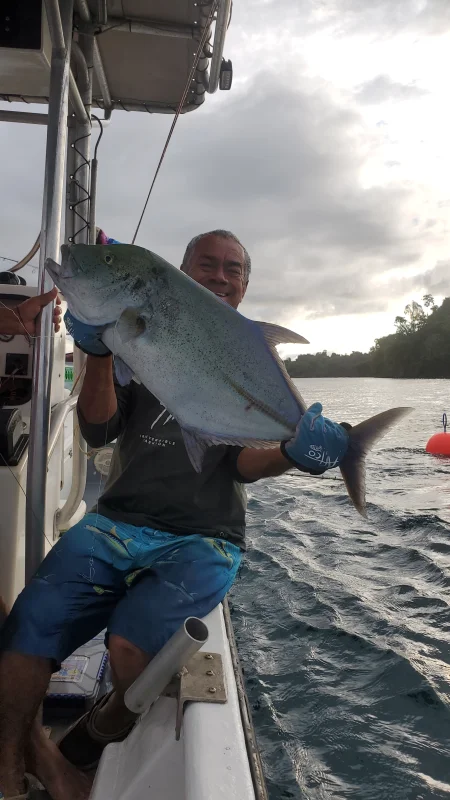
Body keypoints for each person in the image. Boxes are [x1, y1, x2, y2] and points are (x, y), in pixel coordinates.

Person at [0, 230, 349, 800]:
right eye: (205, 265)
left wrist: (292, 452)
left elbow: (242, 463)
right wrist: (100, 352)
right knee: (27, 626)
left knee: (131, 648)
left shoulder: (251, 356)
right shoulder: (138, 334)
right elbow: (97, 430)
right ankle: (12, 767)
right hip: (117, 521)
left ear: (244, 285)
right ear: (180, 273)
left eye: (232, 269)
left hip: (203, 537)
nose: (218, 275)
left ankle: (104, 726)